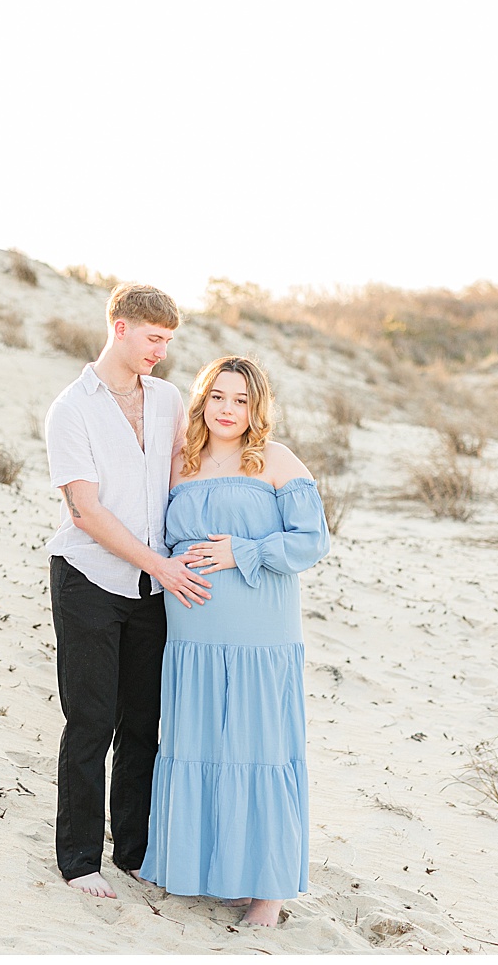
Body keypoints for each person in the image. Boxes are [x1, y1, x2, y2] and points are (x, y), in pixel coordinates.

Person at [138, 356, 330, 927]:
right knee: (203, 741)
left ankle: (267, 891)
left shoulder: (274, 459)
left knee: (258, 744)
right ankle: (218, 871)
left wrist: (241, 551)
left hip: (257, 630)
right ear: (202, 401)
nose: (228, 410)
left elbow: (312, 539)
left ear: (257, 407)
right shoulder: (179, 462)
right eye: (218, 397)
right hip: (193, 632)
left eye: (241, 400)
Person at [44, 284, 213, 901]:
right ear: (120, 327)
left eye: (169, 341)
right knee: (90, 719)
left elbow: (184, 469)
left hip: (153, 583)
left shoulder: (167, 398)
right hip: (89, 577)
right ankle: (79, 859)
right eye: (153, 338)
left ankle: (133, 851)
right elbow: (84, 511)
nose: (162, 353)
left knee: (143, 723)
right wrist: (161, 567)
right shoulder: (72, 408)